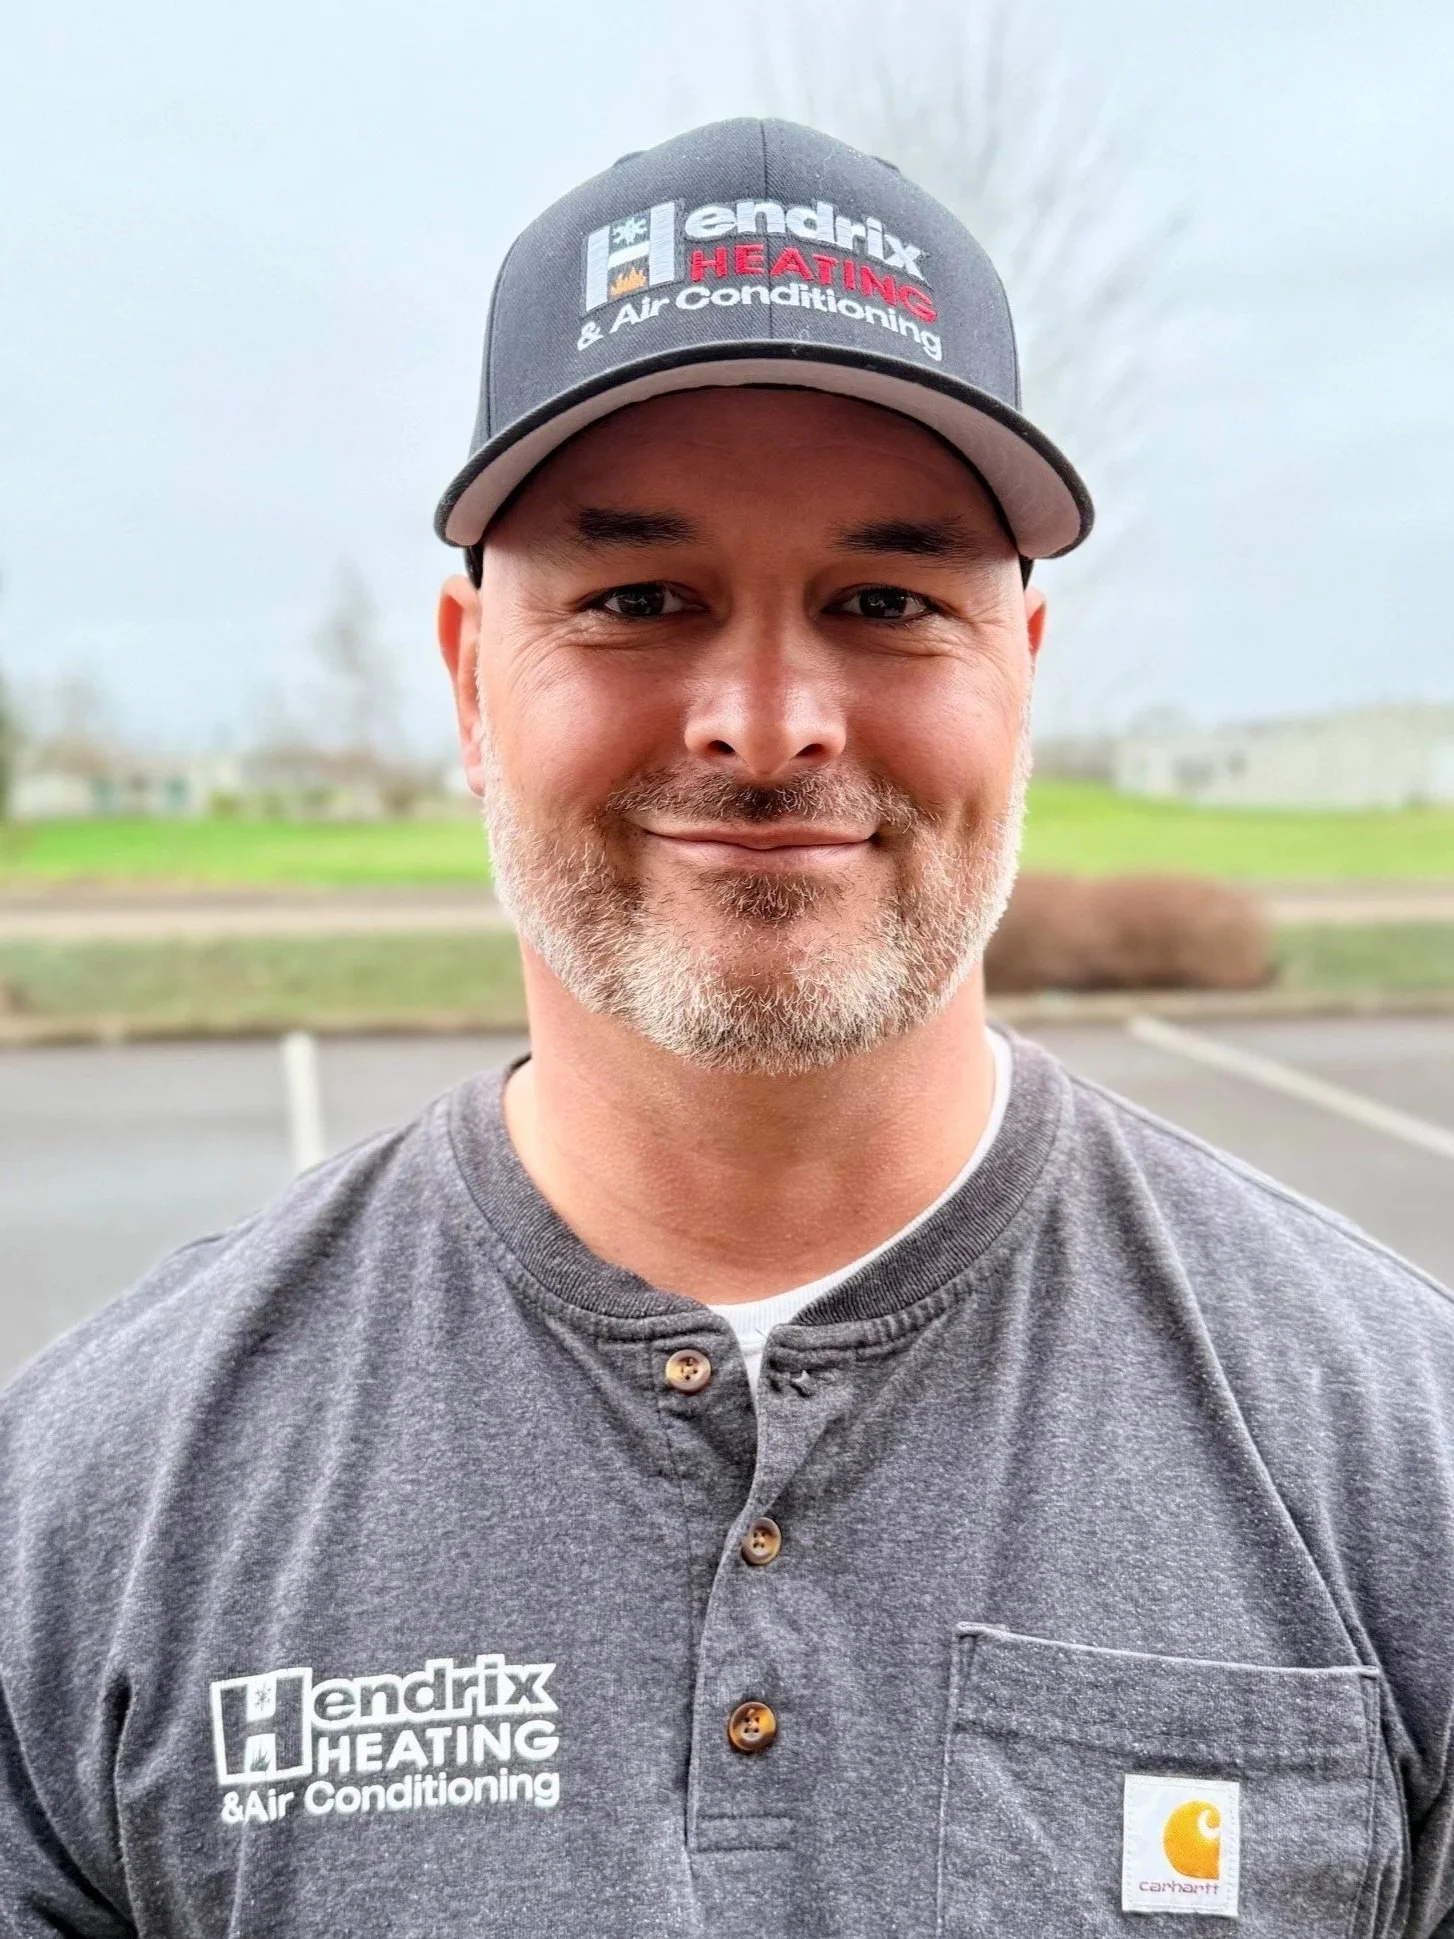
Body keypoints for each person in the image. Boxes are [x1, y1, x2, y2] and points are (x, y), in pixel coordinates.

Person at [2, 118, 1453, 1939]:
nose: (766, 727)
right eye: (636, 598)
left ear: (1021, 678)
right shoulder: (86, 1511)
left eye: (884, 601)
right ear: (467, 681)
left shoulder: (1399, 1462)